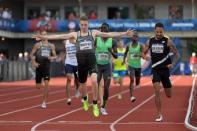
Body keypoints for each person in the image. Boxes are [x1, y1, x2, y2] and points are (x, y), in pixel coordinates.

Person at [32, 16, 133, 117]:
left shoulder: (93, 33)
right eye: (82, 25)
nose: (84, 26)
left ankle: (94, 105)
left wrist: (124, 33)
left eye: (85, 25)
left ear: (88, 25)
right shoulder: (75, 34)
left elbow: (109, 34)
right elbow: (60, 36)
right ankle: (85, 100)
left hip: (92, 62)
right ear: (80, 25)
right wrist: (43, 37)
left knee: (94, 81)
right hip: (81, 64)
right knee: (83, 85)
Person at [144, 22, 180, 122]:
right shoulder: (150, 41)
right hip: (155, 69)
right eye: (157, 32)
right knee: (156, 90)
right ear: (154, 31)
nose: (159, 33)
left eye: (160, 32)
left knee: (169, 95)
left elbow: (177, 55)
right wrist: (145, 57)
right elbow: (143, 53)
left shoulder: (168, 41)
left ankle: (168, 84)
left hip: (165, 70)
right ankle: (159, 115)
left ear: (163, 31)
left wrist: (172, 64)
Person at [30, 30, 56, 109]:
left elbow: (55, 56)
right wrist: (34, 62)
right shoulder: (37, 45)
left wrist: (51, 57)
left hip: (46, 67)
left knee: (46, 84)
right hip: (39, 67)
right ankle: (46, 88)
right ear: (40, 36)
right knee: (38, 86)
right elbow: (32, 54)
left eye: (45, 34)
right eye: (42, 35)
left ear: (47, 35)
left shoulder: (51, 46)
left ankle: (44, 102)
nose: (44, 36)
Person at [95, 22, 117, 115]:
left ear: (108, 30)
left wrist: (111, 51)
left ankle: (103, 107)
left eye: (105, 30)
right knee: (95, 84)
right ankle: (95, 102)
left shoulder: (113, 41)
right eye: (102, 30)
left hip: (107, 66)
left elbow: (116, 56)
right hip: (97, 65)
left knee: (106, 88)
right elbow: (90, 50)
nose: (103, 31)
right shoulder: (96, 39)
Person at [123, 30, 147, 102]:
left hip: (138, 66)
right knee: (132, 79)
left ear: (138, 38)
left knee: (137, 80)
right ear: (131, 37)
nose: (134, 38)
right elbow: (125, 53)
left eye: (136, 36)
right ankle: (132, 96)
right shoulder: (128, 45)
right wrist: (124, 60)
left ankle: (137, 83)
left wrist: (144, 57)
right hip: (131, 65)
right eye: (133, 36)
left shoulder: (140, 46)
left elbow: (143, 55)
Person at [63, 38, 80, 105]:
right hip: (68, 63)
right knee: (69, 78)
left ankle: (77, 89)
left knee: (77, 79)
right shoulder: (66, 42)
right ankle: (68, 98)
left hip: (77, 63)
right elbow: (65, 51)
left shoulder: (78, 41)